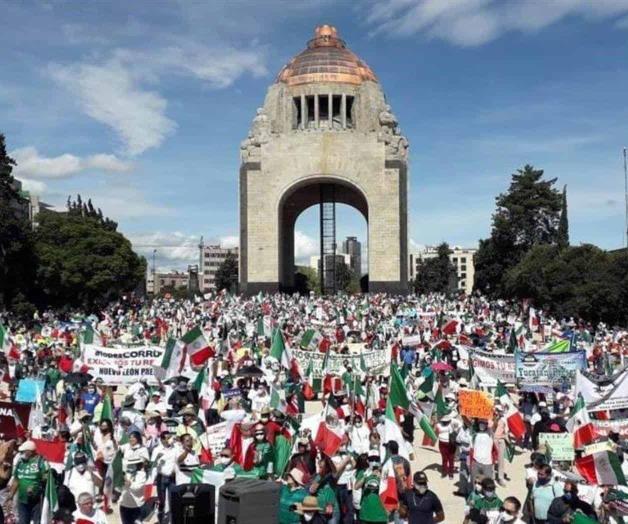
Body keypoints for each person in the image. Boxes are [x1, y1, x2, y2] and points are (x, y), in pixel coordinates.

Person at [9, 440, 48, 524]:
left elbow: (46, 478)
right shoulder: (20, 463)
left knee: (37, 522)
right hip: (22, 501)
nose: (21, 454)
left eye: (23, 452)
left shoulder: (41, 462)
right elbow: (16, 480)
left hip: (37, 501)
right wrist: (10, 495)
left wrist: (36, 487)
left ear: (30, 452)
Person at [119, 456, 147, 524]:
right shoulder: (124, 474)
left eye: (133, 464)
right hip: (124, 505)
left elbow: (137, 487)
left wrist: (128, 482)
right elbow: (119, 488)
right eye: (130, 464)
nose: (131, 466)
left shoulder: (142, 475)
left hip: (137, 506)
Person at [471, 419, 495, 485]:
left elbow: (494, 424)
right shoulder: (475, 433)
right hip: (476, 462)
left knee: (488, 484)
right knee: (474, 483)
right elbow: (468, 423)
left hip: (487, 463)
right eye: (480, 423)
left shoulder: (490, 433)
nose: (481, 425)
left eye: (483, 423)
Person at [435, 414, 456, 479]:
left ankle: (451, 473)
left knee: (451, 459)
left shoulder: (452, 423)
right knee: (444, 458)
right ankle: (444, 472)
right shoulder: (438, 424)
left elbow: (459, 424)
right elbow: (435, 430)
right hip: (442, 443)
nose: (445, 422)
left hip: (450, 443)